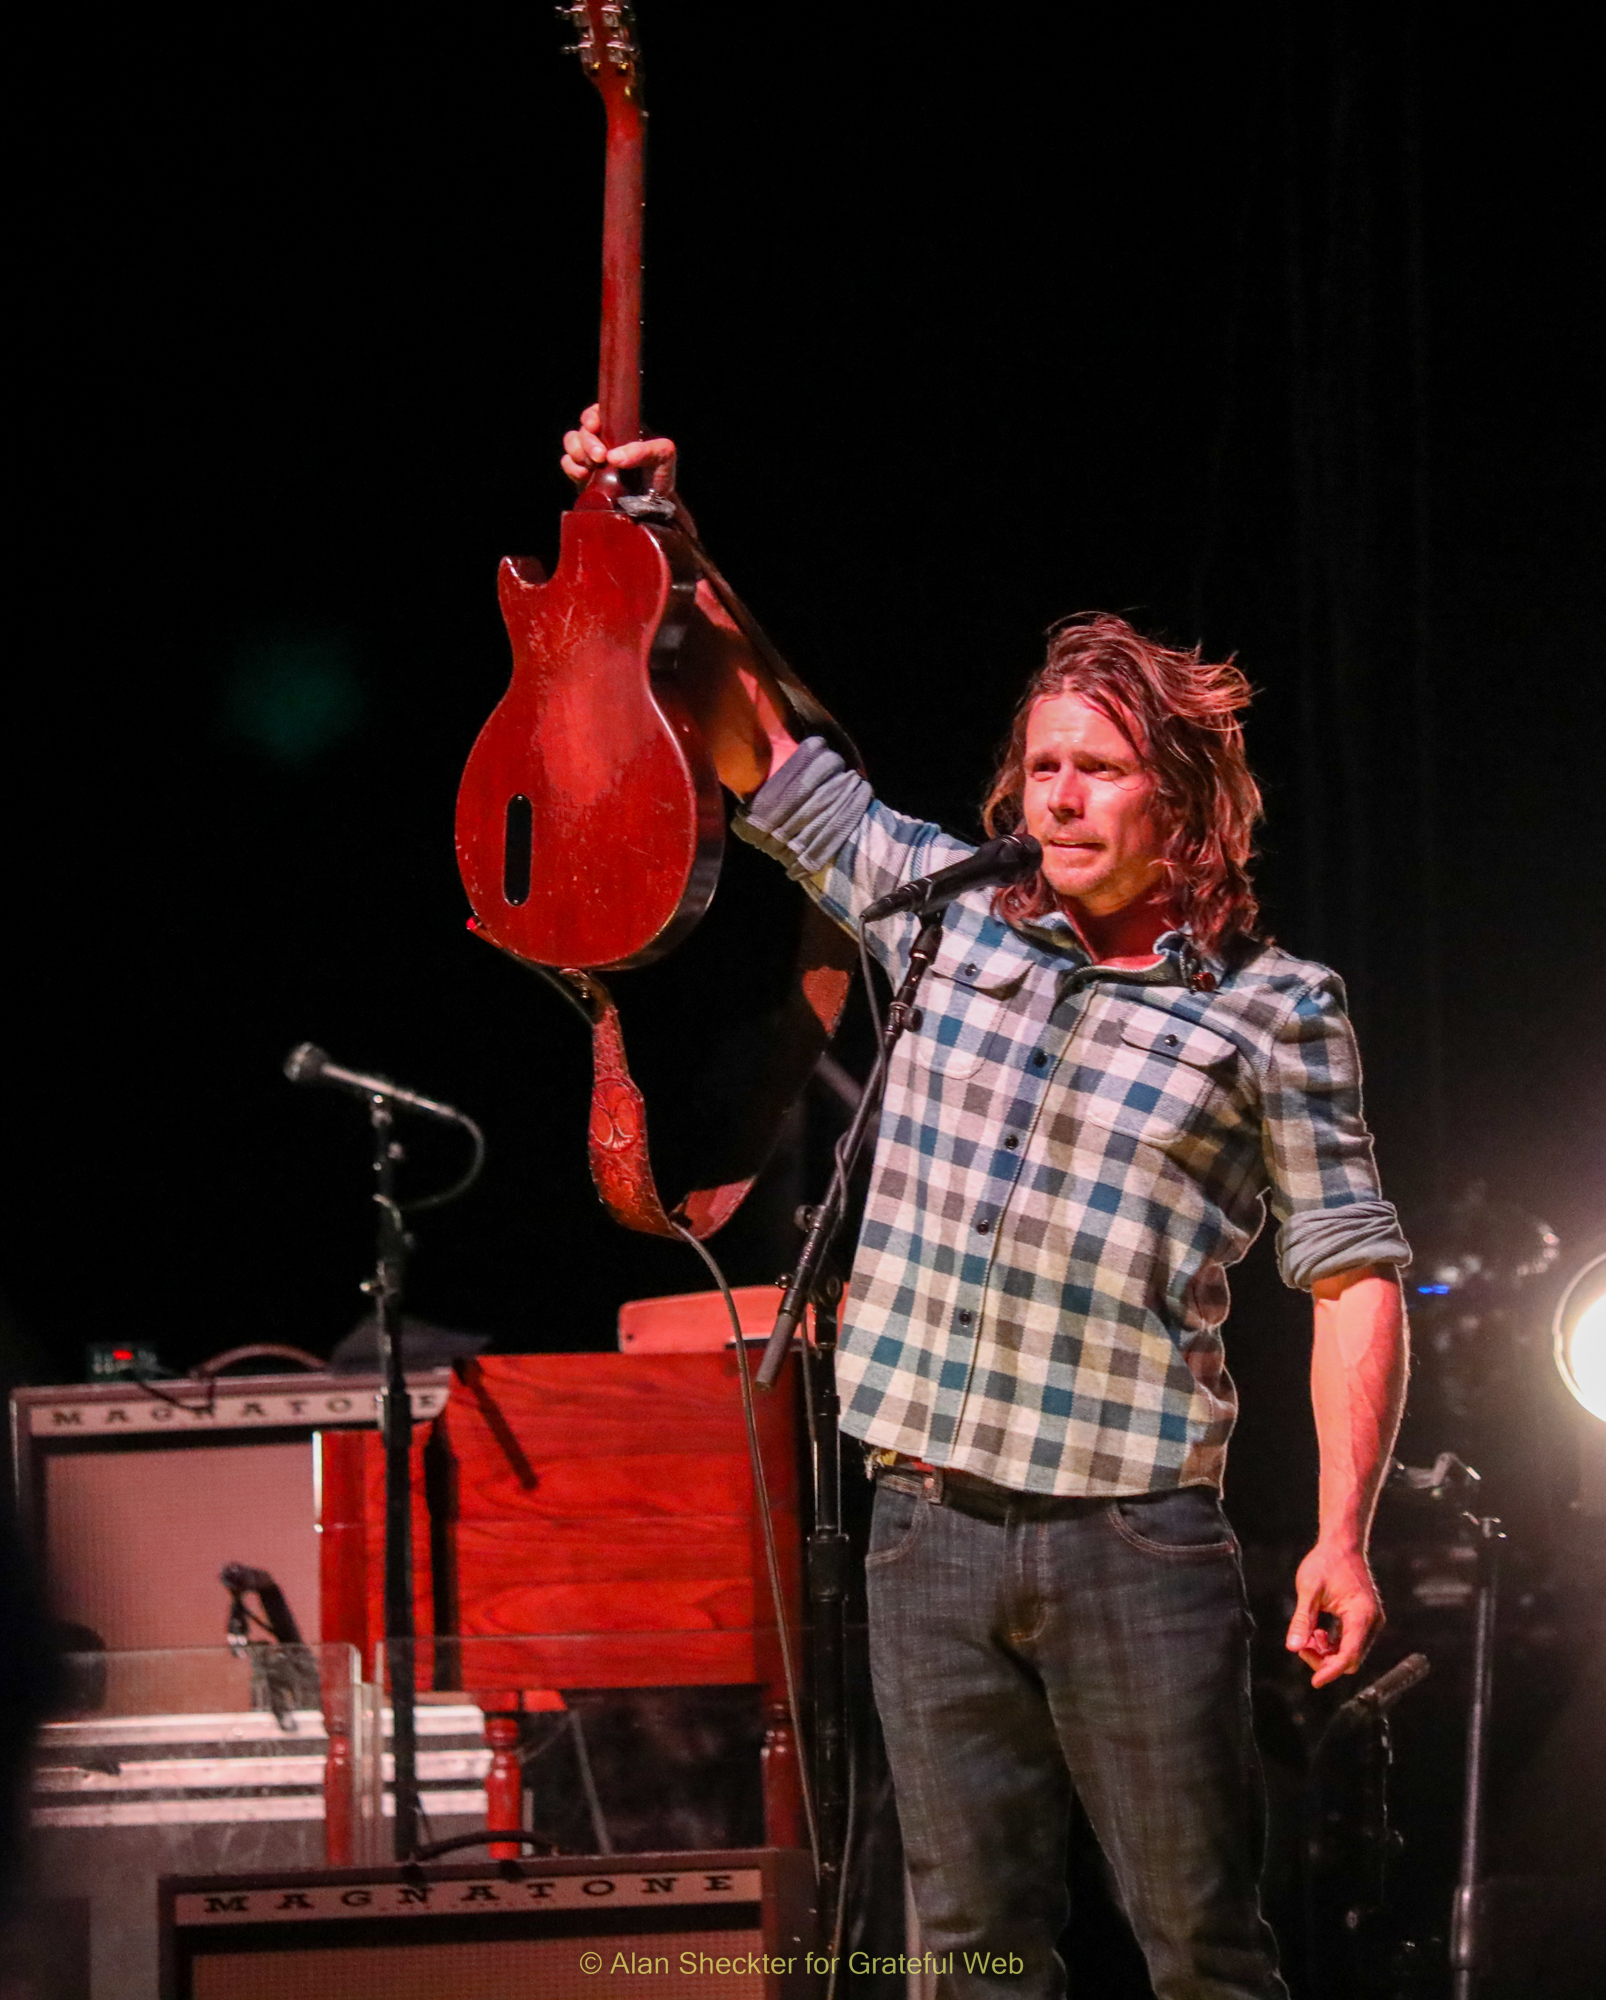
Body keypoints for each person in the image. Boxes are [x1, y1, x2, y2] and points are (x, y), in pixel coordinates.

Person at [562, 411, 1411, 2000]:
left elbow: (1350, 1273)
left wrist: (1344, 1536)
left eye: (1099, 772)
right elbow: (761, 747)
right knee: (969, 1957)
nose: (1062, 801)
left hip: (1132, 1542)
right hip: (925, 1530)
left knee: (1201, 1953)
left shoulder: (1272, 1008)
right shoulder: (949, 923)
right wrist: (653, 542)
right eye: (1042, 769)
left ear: (1185, 805)